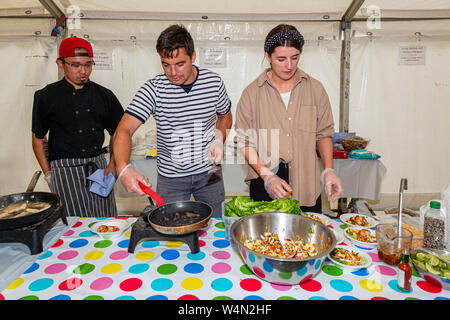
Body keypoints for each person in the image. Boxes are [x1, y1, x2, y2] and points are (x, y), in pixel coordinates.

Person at [113, 24, 232, 218]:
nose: (173, 72)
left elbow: (225, 115)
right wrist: (123, 168)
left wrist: (219, 138)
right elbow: (123, 130)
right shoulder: (154, 89)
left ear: (193, 57)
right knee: (169, 226)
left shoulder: (213, 82)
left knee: (216, 224)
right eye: (166, 65)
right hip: (171, 178)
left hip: (209, 173)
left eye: (180, 64)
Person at [235, 24, 342, 213]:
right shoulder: (252, 93)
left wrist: (328, 170)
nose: (289, 65)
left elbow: (323, 134)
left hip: (305, 181)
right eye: (281, 59)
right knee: (266, 240)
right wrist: (267, 177)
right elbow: (244, 142)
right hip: (265, 180)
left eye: (295, 57)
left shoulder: (315, 89)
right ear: (268, 56)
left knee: (306, 239)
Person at [32, 37, 124, 217]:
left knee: (105, 219)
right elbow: (38, 137)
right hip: (64, 171)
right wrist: (49, 174)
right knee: (73, 223)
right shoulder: (46, 96)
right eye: (75, 65)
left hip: (98, 168)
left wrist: (113, 166)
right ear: (60, 64)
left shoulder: (104, 95)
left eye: (88, 64)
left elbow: (120, 133)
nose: (83, 71)